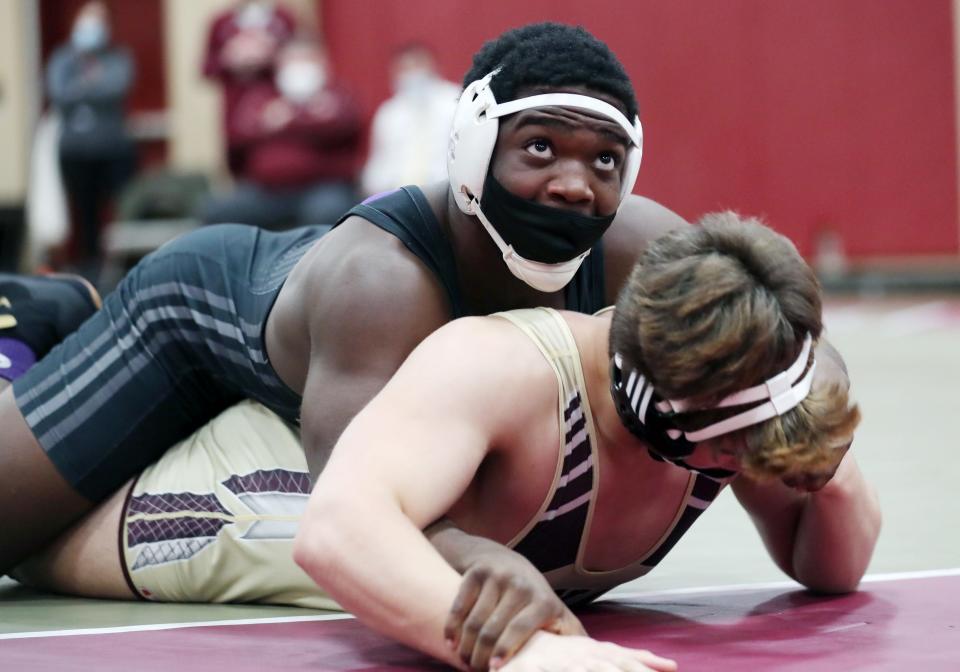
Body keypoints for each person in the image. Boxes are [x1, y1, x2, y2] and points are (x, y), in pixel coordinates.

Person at [1, 21, 851, 664]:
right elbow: (347, 501)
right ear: (474, 146)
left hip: (324, 332)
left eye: (603, 162)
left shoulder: (640, 244)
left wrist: (811, 411)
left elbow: (768, 318)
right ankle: (48, 319)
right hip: (192, 321)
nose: (570, 183)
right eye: (541, 148)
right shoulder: (385, 284)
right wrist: (472, 557)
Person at [16, 215, 880, 672]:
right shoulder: (506, 366)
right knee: (39, 549)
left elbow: (826, 565)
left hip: (392, 464)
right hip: (278, 480)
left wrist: (822, 467)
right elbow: (338, 533)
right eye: (741, 450)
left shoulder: (735, 386)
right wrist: (521, 651)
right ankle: (36, 333)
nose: (749, 470)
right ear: (667, 406)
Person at [201, 36, 362, 230]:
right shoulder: (261, 96)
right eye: (291, 61)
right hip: (267, 191)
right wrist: (307, 118)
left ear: (322, 63)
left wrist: (285, 121)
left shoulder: (338, 95)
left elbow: (341, 126)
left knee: (327, 212)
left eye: (305, 60)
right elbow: (240, 135)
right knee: (219, 210)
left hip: (323, 187)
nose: (298, 68)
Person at [46, 0, 137, 281]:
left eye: (98, 20)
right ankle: (89, 270)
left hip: (113, 149)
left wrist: (80, 88)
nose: (91, 27)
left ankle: (123, 267)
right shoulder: (62, 58)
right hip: (74, 151)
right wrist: (91, 84)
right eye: (87, 19)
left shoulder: (119, 56)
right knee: (84, 213)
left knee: (122, 209)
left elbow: (116, 87)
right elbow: (58, 94)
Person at [202, 0, 298, 176]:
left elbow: (300, 58)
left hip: (275, 106)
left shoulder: (283, 18)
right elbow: (206, 69)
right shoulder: (221, 22)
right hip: (235, 108)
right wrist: (230, 58)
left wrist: (269, 54)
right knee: (237, 164)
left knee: (277, 158)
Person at [361, 42, 461, 196]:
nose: (413, 73)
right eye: (405, 68)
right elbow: (378, 167)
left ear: (434, 67)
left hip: (448, 192)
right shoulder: (389, 113)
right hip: (397, 196)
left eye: (418, 65)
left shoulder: (456, 102)